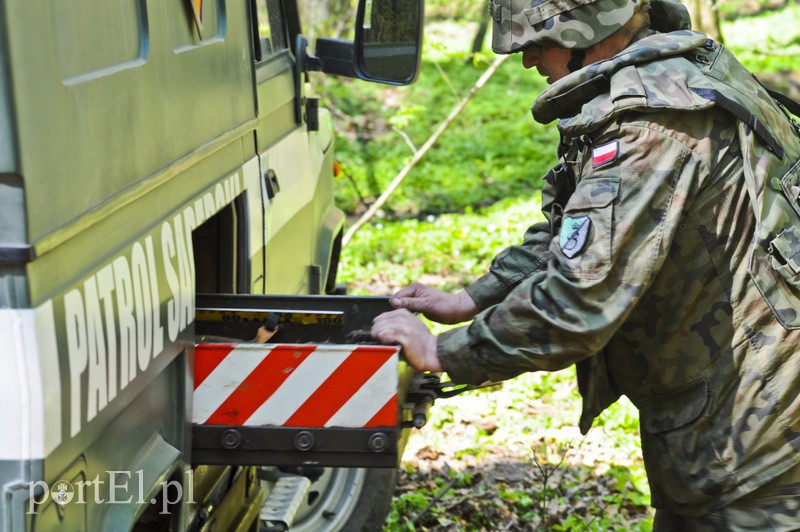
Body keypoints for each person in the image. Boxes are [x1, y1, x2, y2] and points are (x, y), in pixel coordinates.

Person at [370, 0, 800, 528]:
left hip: (759, 437)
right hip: (740, 413)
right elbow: (575, 229)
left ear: (590, 30)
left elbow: (581, 297)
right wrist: (474, 298)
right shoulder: (677, 75)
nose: (529, 62)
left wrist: (444, 351)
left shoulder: (652, 124)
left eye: (536, 43)